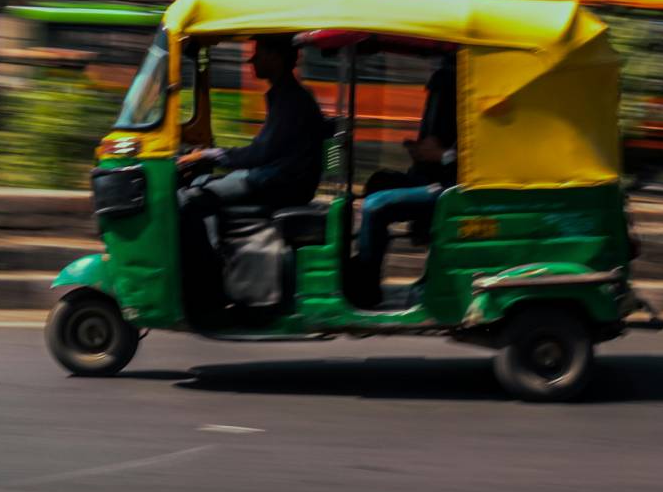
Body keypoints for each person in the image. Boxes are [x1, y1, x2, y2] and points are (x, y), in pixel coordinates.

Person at [176, 34, 329, 317]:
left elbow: (260, 154)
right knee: (199, 187)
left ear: (276, 57)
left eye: (259, 53)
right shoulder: (286, 95)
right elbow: (262, 151)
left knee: (190, 201)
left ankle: (206, 291)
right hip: (275, 177)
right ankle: (216, 271)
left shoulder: (291, 99)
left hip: (279, 182)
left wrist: (209, 156)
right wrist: (210, 156)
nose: (252, 60)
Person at [351, 51, 457, 307]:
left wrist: (443, 156)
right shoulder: (443, 89)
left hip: (452, 187)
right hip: (429, 176)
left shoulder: (466, 93)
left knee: (376, 205)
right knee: (379, 182)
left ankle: (365, 288)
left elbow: (468, 154)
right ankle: (364, 267)